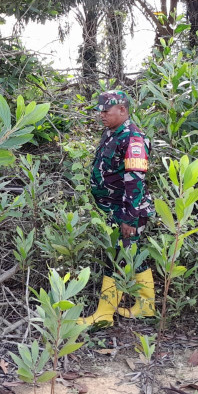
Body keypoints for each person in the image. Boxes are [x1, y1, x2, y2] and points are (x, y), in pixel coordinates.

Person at [80, 89, 155, 326]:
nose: (101, 115)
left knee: (119, 257)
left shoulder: (133, 139)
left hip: (126, 211)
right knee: (131, 253)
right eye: (100, 111)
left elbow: (135, 182)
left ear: (122, 110)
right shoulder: (112, 133)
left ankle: (104, 314)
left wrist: (129, 219)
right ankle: (146, 305)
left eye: (106, 110)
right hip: (113, 209)